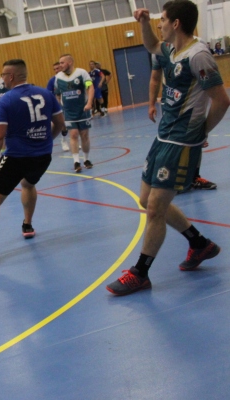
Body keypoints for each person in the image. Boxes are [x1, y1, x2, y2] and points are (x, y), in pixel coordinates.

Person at [106, 1, 230, 296]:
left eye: (162, 19)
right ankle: (199, 244)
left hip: (182, 141)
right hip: (164, 136)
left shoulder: (198, 56)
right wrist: (144, 22)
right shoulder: (171, 49)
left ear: (176, 23)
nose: (160, 24)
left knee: (155, 208)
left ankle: (141, 273)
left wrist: (201, 133)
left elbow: (222, 100)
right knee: (145, 198)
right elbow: (151, 46)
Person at [0, 59, 65, 263]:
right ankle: (27, 225)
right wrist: (46, 142)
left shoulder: (5, 100)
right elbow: (60, 124)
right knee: (28, 184)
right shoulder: (46, 94)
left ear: (10, 76)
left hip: (16, 158)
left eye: (3, 75)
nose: (1, 78)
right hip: (42, 157)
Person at [148, 54, 217, 194]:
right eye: (159, 29)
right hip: (170, 104)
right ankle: (171, 179)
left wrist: (204, 130)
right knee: (171, 141)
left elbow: (209, 84)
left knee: (196, 141)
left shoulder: (194, 52)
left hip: (191, 104)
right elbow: (155, 78)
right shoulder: (159, 52)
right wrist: (151, 104)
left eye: (162, 29)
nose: (160, 30)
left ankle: (194, 177)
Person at [54, 54, 95, 173]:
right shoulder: (58, 77)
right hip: (68, 111)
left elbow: (90, 87)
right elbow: (57, 94)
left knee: (84, 135)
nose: (60, 65)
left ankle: (86, 159)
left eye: (62, 63)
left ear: (70, 62)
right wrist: (59, 109)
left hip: (83, 110)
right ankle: (76, 161)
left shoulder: (82, 73)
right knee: (73, 134)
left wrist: (89, 103)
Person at [47, 61, 70, 151]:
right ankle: (64, 140)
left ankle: (74, 140)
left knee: (73, 125)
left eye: (58, 68)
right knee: (63, 125)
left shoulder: (68, 78)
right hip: (58, 106)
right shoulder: (52, 80)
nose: (56, 70)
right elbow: (48, 93)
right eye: (54, 69)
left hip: (69, 104)